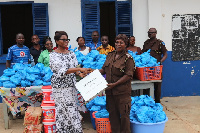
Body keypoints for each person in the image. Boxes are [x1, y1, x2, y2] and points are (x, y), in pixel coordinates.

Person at [49, 31, 90, 132]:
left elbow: (74, 69)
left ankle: (75, 130)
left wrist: (81, 74)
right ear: (57, 41)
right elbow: (61, 71)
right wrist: (79, 70)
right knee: (62, 111)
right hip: (60, 88)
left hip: (71, 87)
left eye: (67, 39)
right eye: (63, 39)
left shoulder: (71, 53)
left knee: (72, 110)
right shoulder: (53, 55)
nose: (66, 41)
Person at [98, 34, 135, 133]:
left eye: (121, 43)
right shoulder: (110, 55)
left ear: (125, 44)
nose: (118, 44)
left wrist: (115, 84)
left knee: (124, 117)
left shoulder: (128, 58)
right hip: (110, 93)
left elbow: (128, 75)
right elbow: (104, 69)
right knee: (113, 116)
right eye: (117, 42)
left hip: (122, 93)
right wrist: (93, 72)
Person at [142, 28, 168, 103]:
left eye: (152, 32)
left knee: (157, 84)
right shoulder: (146, 43)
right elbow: (143, 54)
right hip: (147, 67)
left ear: (155, 33)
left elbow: (165, 54)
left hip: (156, 67)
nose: (150, 34)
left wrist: (160, 61)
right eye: (149, 32)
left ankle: (157, 102)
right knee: (146, 84)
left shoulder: (160, 43)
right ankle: (148, 101)